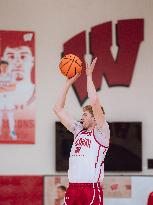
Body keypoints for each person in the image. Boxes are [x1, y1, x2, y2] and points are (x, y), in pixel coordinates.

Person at [53, 58, 110, 205]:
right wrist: (68, 83)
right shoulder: (78, 131)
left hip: (90, 190)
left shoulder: (102, 132)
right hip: (72, 188)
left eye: (85, 115)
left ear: (94, 118)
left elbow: (94, 102)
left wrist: (89, 76)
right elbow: (57, 109)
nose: (81, 117)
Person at [0, 60, 17, 140]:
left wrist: (3, 88)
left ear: (7, 67)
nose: (4, 68)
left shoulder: (11, 76)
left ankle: (12, 131)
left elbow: (13, 87)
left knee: (11, 116)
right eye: (2, 66)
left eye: (5, 66)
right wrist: (8, 88)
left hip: (9, 98)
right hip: (0, 99)